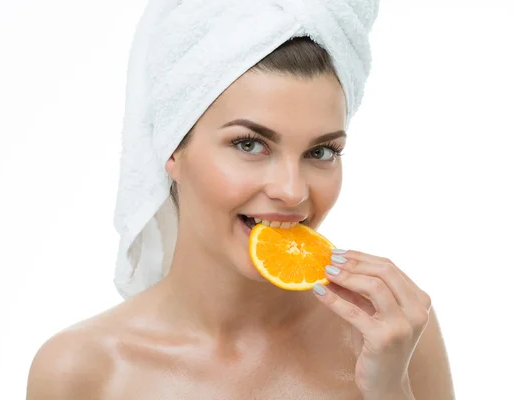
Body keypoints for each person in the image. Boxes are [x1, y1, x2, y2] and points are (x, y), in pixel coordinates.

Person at [26, 2, 454, 399]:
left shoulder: (391, 335)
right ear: (172, 149)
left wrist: (390, 390)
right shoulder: (83, 372)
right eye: (250, 144)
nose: (292, 191)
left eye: (321, 152)